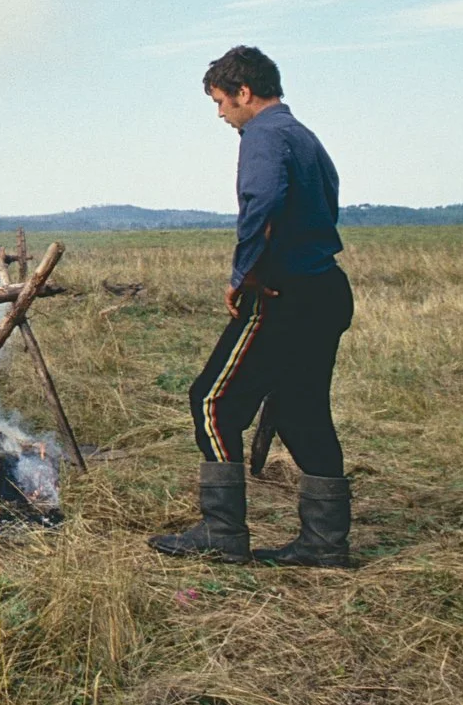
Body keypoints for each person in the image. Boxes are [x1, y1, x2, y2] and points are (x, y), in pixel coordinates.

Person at [150, 46, 355, 568]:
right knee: (302, 410)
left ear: (245, 92)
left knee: (211, 404)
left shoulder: (262, 135)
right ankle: (325, 545)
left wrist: (244, 274)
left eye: (221, 101)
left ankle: (223, 532)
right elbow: (324, 205)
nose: (220, 114)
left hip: (282, 294)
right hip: (325, 289)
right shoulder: (303, 135)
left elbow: (261, 202)